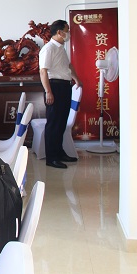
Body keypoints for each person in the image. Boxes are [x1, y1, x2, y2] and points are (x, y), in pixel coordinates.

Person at [39, 19, 82, 169]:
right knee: (54, 123)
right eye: (67, 30)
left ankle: (59, 152)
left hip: (64, 87)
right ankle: (51, 158)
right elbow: (43, 71)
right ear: (59, 32)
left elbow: (68, 65)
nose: (69, 33)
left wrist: (76, 79)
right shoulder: (48, 48)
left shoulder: (61, 48)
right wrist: (48, 92)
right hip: (54, 87)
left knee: (62, 122)